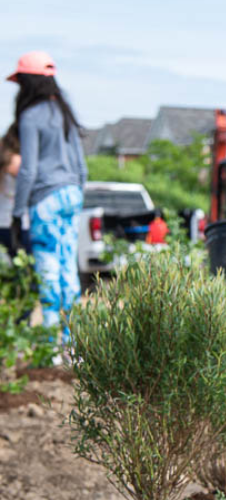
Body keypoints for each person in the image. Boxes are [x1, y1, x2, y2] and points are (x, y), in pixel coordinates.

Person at [8, 51, 87, 346]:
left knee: (47, 271)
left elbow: (28, 170)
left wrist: (18, 213)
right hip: (72, 194)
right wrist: (76, 191)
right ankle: (73, 346)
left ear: (27, 82)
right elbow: (81, 166)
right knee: (69, 269)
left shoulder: (31, 116)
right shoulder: (64, 111)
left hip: (46, 198)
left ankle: (48, 348)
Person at [0, 125, 30, 258]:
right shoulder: (16, 160)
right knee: (24, 270)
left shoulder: (4, 157)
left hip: (3, 221)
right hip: (16, 224)